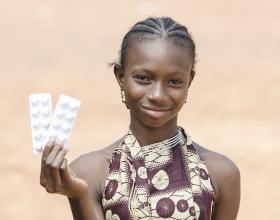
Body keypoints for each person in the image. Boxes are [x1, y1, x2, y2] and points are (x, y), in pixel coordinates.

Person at [40, 17, 240, 220]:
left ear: (189, 81)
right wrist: (79, 195)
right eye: (143, 78)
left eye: (174, 81)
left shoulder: (221, 173)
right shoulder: (90, 172)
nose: (157, 95)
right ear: (121, 77)